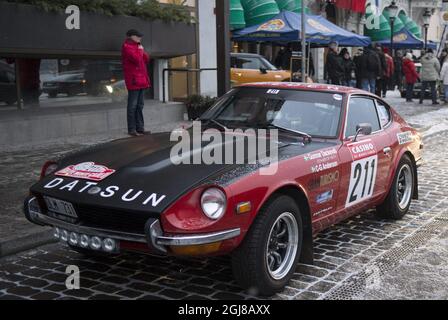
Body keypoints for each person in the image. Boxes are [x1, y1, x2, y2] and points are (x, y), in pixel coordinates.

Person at [122, 29, 151, 137]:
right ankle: (132, 129)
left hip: (141, 80)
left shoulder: (138, 47)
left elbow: (146, 59)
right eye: (138, 36)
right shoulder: (127, 47)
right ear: (131, 36)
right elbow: (137, 59)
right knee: (132, 106)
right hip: (134, 81)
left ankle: (140, 128)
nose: (140, 38)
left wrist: (141, 50)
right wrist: (140, 50)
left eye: (140, 36)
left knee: (140, 105)